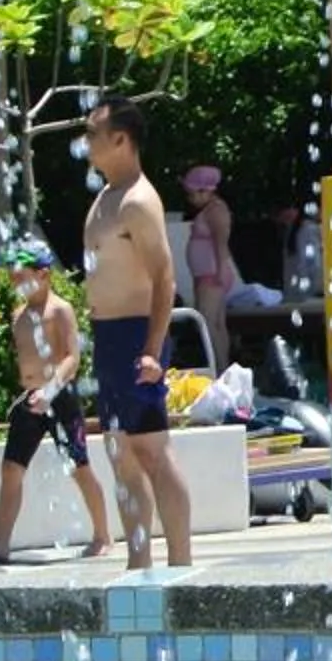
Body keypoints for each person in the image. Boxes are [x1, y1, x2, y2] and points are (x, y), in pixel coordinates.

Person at [82, 97, 192, 570]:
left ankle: (181, 562)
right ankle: (139, 562)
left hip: (134, 337)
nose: (86, 142)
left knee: (151, 451)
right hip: (108, 337)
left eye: (93, 133)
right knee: (119, 453)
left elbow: (165, 278)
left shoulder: (138, 201)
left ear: (121, 139)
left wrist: (153, 350)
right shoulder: (107, 197)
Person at [0, 245, 112, 563]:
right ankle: (1, 541)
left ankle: (103, 535)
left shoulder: (59, 310)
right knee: (10, 469)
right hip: (30, 399)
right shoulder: (18, 315)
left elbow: (72, 358)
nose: (15, 284)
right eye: (12, 278)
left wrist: (49, 389)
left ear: (43, 275)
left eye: (22, 278)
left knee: (79, 468)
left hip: (59, 399)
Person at [180, 163, 241, 369]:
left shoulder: (216, 210)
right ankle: (221, 367)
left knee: (208, 322)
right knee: (216, 323)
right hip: (208, 273)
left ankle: (220, 368)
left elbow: (221, 242)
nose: (190, 199)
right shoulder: (211, 209)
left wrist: (222, 269)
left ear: (205, 190)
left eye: (192, 194)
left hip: (212, 273)